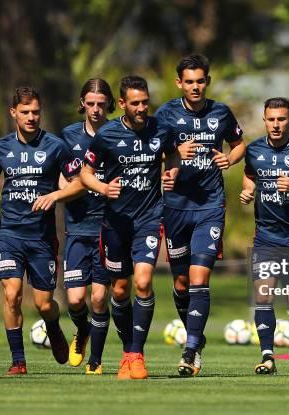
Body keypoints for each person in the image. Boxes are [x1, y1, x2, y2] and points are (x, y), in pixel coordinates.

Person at [0, 86, 83, 375]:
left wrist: (55, 196)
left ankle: (53, 326)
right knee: (12, 295)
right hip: (9, 233)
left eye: (36, 111)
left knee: (44, 303)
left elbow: (78, 183)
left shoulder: (56, 146)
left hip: (42, 238)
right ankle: (18, 361)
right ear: (13, 113)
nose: (31, 117)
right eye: (25, 112)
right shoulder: (1, 147)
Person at [80, 75, 179, 380]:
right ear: (121, 103)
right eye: (134, 103)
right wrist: (102, 188)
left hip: (149, 218)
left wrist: (171, 172)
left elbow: (172, 154)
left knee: (143, 281)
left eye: (145, 102)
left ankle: (137, 354)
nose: (141, 108)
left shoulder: (161, 128)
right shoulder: (107, 134)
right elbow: (85, 173)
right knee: (120, 290)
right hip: (115, 224)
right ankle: (127, 352)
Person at [154, 54, 245, 376]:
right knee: (180, 284)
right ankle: (197, 336)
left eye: (200, 81)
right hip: (175, 207)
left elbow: (239, 143)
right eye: (189, 81)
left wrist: (230, 159)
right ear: (180, 83)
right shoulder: (165, 114)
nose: (195, 86)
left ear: (207, 81)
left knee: (198, 278)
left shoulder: (220, 112)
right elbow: (151, 151)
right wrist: (175, 155)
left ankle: (190, 349)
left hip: (210, 206)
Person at [240, 97, 289, 374]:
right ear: (264, 120)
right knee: (263, 295)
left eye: (281, 119)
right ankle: (267, 355)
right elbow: (250, 174)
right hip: (266, 237)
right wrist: (248, 191)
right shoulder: (255, 149)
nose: (276, 124)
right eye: (271, 119)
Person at [61, 78, 114, 375]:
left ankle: (96, 360)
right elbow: (66, 177)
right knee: (76, 299)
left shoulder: (120, 133)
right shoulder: (69, 136)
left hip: (108, 227)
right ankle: (81, 332)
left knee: (98, 297)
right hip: (77, 228)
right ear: (82, 103)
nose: (95, 109)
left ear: (109, 104)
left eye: (100, 103)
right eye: (90, 103)